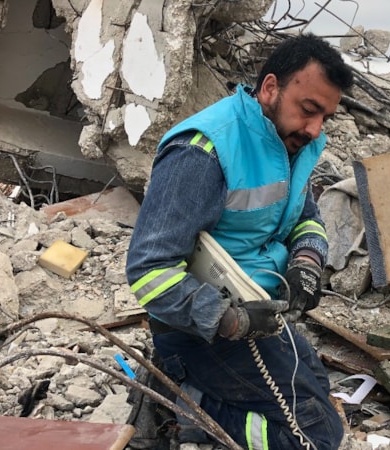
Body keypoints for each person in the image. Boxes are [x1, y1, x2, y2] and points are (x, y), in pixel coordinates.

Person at [125, 33, 354, 450]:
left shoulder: (293, 142)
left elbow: (306, 216)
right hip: (201, 331)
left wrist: (306, 261)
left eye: (326, 117)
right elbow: (147, 270)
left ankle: (195, 393)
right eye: (308, 110)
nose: (316, 129)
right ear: (270, 88)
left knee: (320, 388)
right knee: (317, 437)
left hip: (262, 313)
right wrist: (228, 320)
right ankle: (187, 405)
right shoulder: (203, 151)